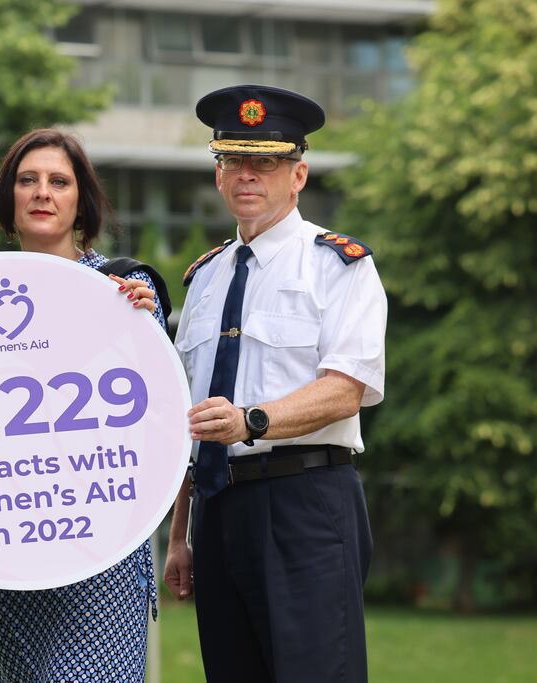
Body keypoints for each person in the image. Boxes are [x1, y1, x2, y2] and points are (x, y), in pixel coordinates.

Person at [163, 85, 387, 682]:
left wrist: (251, 421)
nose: (247, 175)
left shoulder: (338, 266)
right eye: (233, 160)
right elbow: (192, 413)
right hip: (217, 509)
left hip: (304, 501)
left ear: (298, 175)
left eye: (265, 162)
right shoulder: (204, 278)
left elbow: (345, 388)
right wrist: (180, 533)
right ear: (218, 175)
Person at [0, 128, 167, 682]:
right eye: (28, 180)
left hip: (101, 551)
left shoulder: (124, 289)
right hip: (12, 546)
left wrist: (142, 328)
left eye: (59, 182)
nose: (42, 192)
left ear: (81, 202)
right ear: (9, 198)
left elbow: (155, 417)